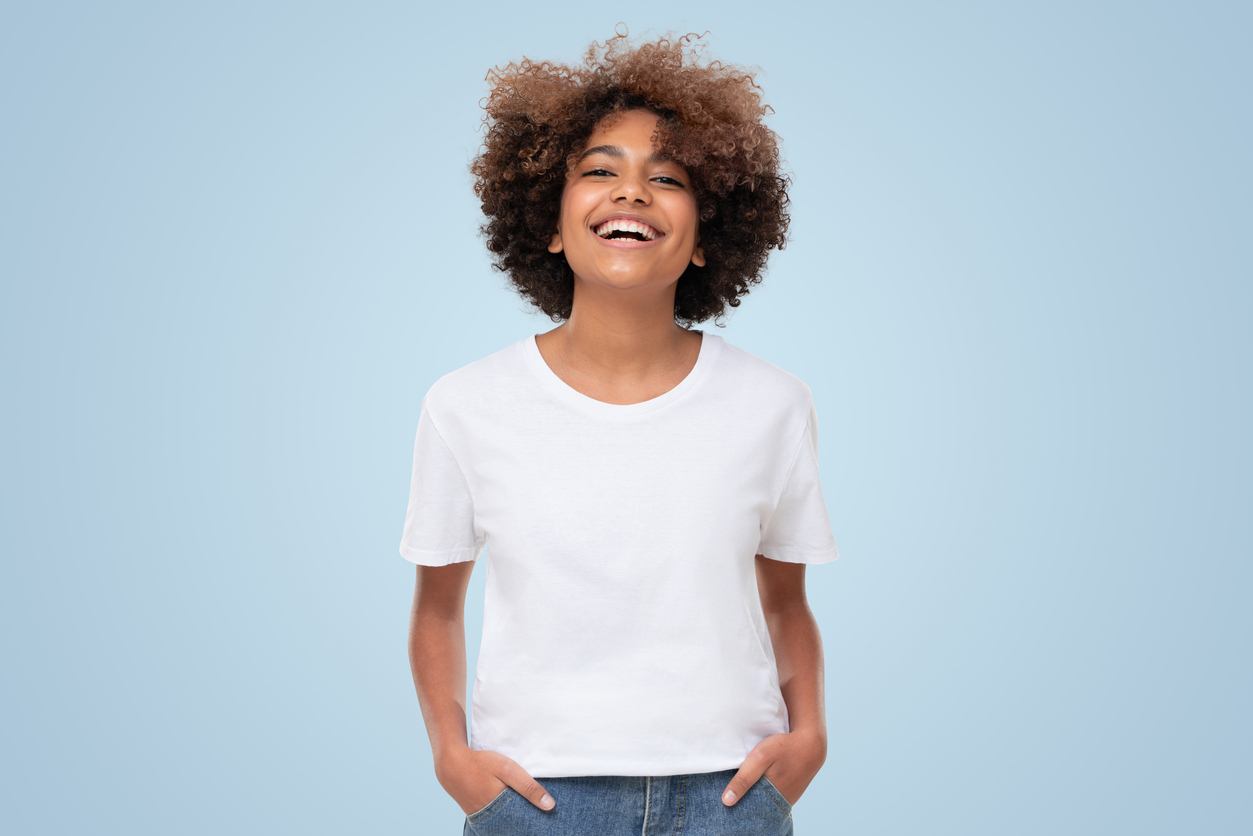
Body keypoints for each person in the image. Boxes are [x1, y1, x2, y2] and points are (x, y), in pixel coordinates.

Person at [401, 31, 840, 836]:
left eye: (666, 178)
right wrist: (451, 758)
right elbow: (436, 610)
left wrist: (807, 739)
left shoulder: (772, 403)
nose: (632, 191)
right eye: (600, 171)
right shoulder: (466, 403)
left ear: (706, 238)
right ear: (549, 223)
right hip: (535, 800)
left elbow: (786, 604)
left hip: (730, 797)